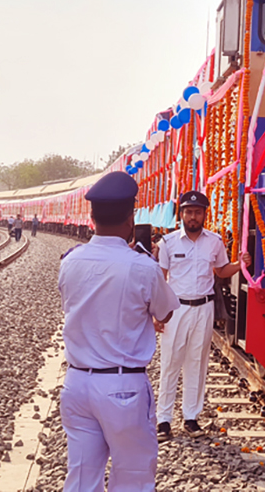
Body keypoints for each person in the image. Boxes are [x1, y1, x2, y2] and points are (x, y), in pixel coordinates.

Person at [58, 171, 178, 492]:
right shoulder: (142, 266)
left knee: (81, 477)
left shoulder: (70, 262)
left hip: (77, 383)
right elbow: (164, 312)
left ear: (92, 217)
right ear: (131, 219)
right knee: (133, 479)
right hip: (122, 386)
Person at [155, 190, 251, 441]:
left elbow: (220, 271)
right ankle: (163, 420)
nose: (193, 217)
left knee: (197, 363)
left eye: (197, 212)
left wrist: (241, 265)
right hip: (176, 310)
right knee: (170, 363)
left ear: (204, 214)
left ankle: (190, 418)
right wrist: (157, 314)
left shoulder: (214, 241)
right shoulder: (168, 243)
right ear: (182, 215)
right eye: (188, 212)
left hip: (204, 308)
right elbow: (160, 279)